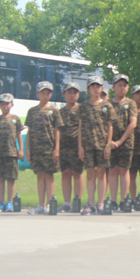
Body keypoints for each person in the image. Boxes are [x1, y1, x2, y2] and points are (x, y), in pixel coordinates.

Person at [78, 76, 116, 216]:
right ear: (88, 89)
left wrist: (108, 145)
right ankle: (91, 204)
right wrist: (80, 147)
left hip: (102, 145)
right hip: (88, 145)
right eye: (93, 86)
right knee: (90, 174)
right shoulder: (83, 106)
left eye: (98, 86)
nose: (96, 88)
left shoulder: (107, 106)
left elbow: (110, 126)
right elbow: (80, 127)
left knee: (101, 174)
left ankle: (100, 203)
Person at [25, 82, 63, 214]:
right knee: (40, 175)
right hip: (36, 149)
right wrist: (27, 148)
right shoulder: (32, 111)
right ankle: (41, 205)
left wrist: (56, 148)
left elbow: (57, 130)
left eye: (48, 93)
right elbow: (29, 131)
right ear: (37, 94)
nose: (45, 95)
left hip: (49, 148)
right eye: (43, 93)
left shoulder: (54, 110)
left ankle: (49, 204)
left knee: (49, 175)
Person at [108, 74, 137, 211]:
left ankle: (124, 200)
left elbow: (133, 123)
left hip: (125, 142)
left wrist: (120, 141)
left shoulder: (130, 103)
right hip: (110, 142)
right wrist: (110, 142)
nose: (122, 88)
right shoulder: (108, 104)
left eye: (124, 85)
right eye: (119, 85)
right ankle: (113, 200)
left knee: (124, 170)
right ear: (114, 87)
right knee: (113, 170)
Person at [0, 93, 24, 213]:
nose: (5, 106)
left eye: (7, 103)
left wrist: (21, 150)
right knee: (0, 178)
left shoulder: (15, 119)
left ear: (12, 104)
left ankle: (9, 202)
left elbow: (19, 135)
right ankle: (1, 202)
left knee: (11, 179)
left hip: (12, 153)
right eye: (2, 104)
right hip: (0, 153)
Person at [56, 83, 82, 213]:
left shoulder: (82, 110)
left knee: (77, 173)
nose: (72, 95)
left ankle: (77, 201)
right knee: (65, 173)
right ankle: (67, 203)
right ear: (64, 94)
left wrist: (81, 147)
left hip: (77, 146)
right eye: (69, 92)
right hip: (63, 147)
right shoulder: (60, 112)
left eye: (75, 92)